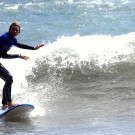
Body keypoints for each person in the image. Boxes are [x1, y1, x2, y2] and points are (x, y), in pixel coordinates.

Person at [0, 22, 44, 110]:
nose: (15, 31)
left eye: (17, 30)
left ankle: (5, 104)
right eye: (13, 29)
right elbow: (4, 55)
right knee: (9, 78)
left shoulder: (12, 40)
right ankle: (9, 103)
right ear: (9, 29)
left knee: (8, 79)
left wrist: (34, 48)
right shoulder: (5, 38)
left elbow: (19, 45)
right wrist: (19, 56)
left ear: (19, 32)